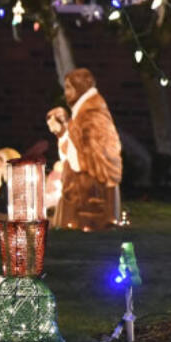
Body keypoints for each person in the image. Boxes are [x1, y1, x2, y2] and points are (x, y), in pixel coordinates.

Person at [54, 68, 123, 230]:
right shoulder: (82, 109)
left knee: (89, 203)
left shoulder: (92, 112)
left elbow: (97, 147)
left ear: (80, 87)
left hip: (91, 177)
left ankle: (93, 222)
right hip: (78, 174)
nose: (66, 93)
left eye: (69, 88)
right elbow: (74, 139)